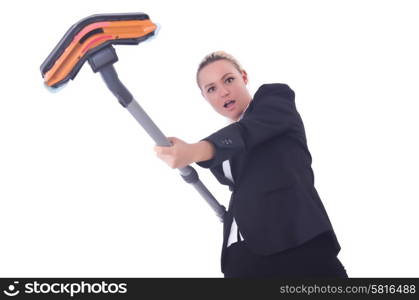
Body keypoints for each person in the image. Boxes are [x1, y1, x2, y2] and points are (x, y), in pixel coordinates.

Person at [153, 51, 348, 278]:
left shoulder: (274, 101)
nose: (223, 92)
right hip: (242, 258)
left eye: (228, 79)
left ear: (243, 77)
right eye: (211, 89)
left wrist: (194, 151)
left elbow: (246, 133)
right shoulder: (223, 153)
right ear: (204, 97)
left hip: (296, 243)